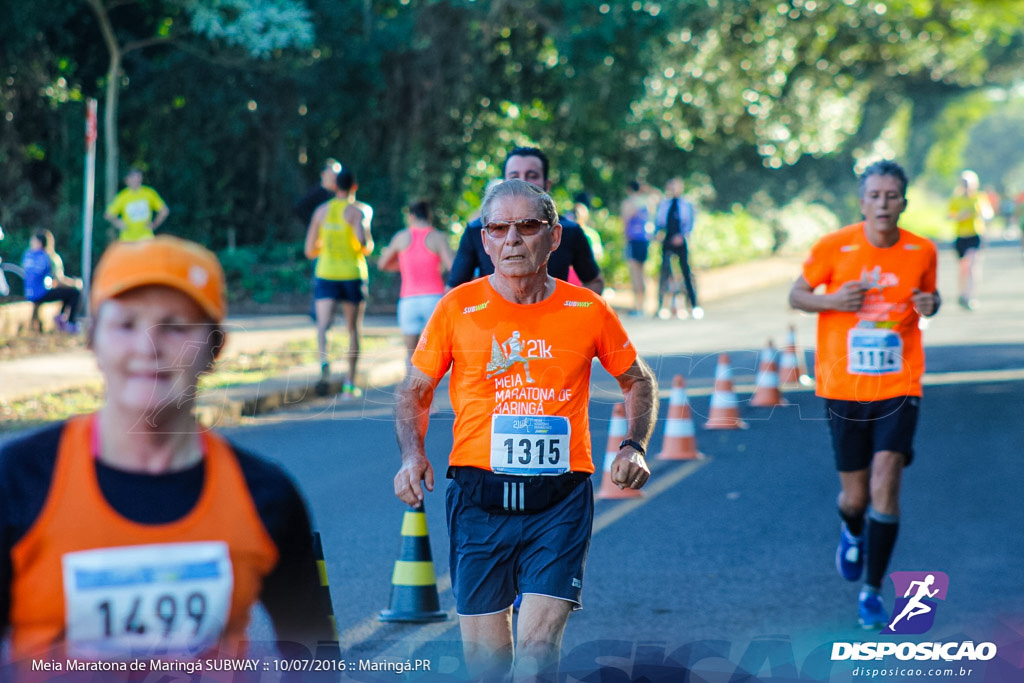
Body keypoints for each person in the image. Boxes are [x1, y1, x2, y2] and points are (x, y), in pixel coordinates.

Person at [0, 236, 333, 671]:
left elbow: (318, 659)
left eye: (175, 326)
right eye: (126, 325)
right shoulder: (17, 481)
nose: (148, 347)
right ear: (91, 340)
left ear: (215, 349)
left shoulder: (268, 497)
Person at [393, 179, 657, 680]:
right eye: (499, 228)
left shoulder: (587, 310)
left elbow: (637, 380)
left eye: (528, 226)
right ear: (485, 240)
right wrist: (412, 454)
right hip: (477, 501)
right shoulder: (456, 308)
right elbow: (414, 389)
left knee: (536, 653)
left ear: (554, 237)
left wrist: (633, 444)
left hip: (559, 502)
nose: (513, 239)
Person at [788, 160, 941, 630]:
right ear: (862, 201)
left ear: (903, 202)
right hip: (843, 386)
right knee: (855, 498)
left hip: (900, 384)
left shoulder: (922, 250)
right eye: (874, 195)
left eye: (891, 195)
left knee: (886, 482)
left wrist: (930, 305)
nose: (882, 203)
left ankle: (872, 591)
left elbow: (930, 299)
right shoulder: (834, 246)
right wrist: (834, 302)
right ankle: (851, 529)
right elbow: (798, 295)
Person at [447, 147, 604, 295]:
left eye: (532, 176)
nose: (522, 182)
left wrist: (569, 314)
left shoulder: (569, 230)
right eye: (514, 177)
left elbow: (594, 282)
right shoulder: (476, 230)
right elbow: (453, 290)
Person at [304, 167, 374, 399]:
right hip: (352, 274)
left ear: (335, 187)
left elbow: (309, 250)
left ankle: (324, 361)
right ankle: (349, 384)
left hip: (326, 273)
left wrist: (326, 246)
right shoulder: (359, 211)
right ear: (354, 187)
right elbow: (365, 246)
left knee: (323, 325)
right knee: (353, 329)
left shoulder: (321, 211)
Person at [378, 199, 455, 362]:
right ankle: (432, 388)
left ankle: (411, 387)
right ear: (430, 215)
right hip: (433, 301)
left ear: (411, 216)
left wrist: (405, 266)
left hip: (408, 301)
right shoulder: (437, 237)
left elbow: (382, 264)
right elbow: (452, 266)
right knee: (435, 354)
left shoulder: (401, 237)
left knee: (411, 355)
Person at [654, 178, 703, 320]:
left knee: (686, 272)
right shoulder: (664, 204)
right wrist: (659, 234)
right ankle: (661, 307)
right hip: (667, 239)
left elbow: (691, 223)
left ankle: (694, 305)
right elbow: (659, 222)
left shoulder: (686, 204)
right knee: (664, 272)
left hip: (682, 240)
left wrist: (683, 236)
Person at [20, 229, 84, 333]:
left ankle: (61, 317)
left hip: (28, 292)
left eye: (32, 240)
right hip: (41, 293)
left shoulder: (27, 255)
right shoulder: (49, 257)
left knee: (63, 290)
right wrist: (75, 283)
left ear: (39, 243)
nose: (31, 243)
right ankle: (70, 323)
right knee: (75, 292)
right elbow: (60, 280)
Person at [946, 169, 992, 310]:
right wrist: (960, 216)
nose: (966, 186)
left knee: (972, 266)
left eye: (968, 183)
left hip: (975, 235)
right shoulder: (956, 198)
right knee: (963, 268)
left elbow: (988, 213)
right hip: (960, 236)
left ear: (974, 184)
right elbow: (948, 216)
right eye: (964, 183)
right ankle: (962, 293)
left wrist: (982, 215)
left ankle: (970, 296)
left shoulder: (978, 197)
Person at [103, 167, 170, 241]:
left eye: (138, 176)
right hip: (127, 239)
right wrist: (118, 223)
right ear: (127, 180)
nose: (136, 180)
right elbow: (108, 215)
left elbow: (164, 210)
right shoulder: (122, 196)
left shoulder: (149, 193)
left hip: (146, 238)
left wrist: (154, 224)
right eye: (133, 177)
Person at [621, 180, 651, 316]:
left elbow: (625, 221)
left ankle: (637, 306)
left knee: (635, 274)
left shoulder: (629, 203)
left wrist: (624, 239)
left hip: (633, 240)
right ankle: (642, 305)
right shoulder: (646, 203)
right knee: (642, 273)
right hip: (644, 240)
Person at [565, 192, 605, 288]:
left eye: (578, 214)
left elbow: (597, 255)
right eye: (575, 213)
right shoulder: (566, 232)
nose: (576, 216)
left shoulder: (592, 234)